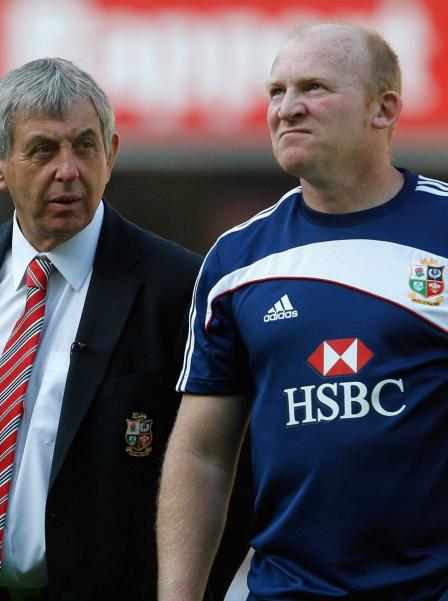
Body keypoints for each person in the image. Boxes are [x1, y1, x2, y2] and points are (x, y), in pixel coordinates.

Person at [0, 57, 250, 601]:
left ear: (111, 154)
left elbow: (231, 474)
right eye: (43, 149)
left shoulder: (180, 287)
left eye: (85, 146)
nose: (68, 170)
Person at [157, 23, 448, 600]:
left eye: (313, 88)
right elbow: (201, 452)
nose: (287, 109)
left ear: (383, 109)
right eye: (276, 92)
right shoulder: (236, 262)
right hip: (286, 591)